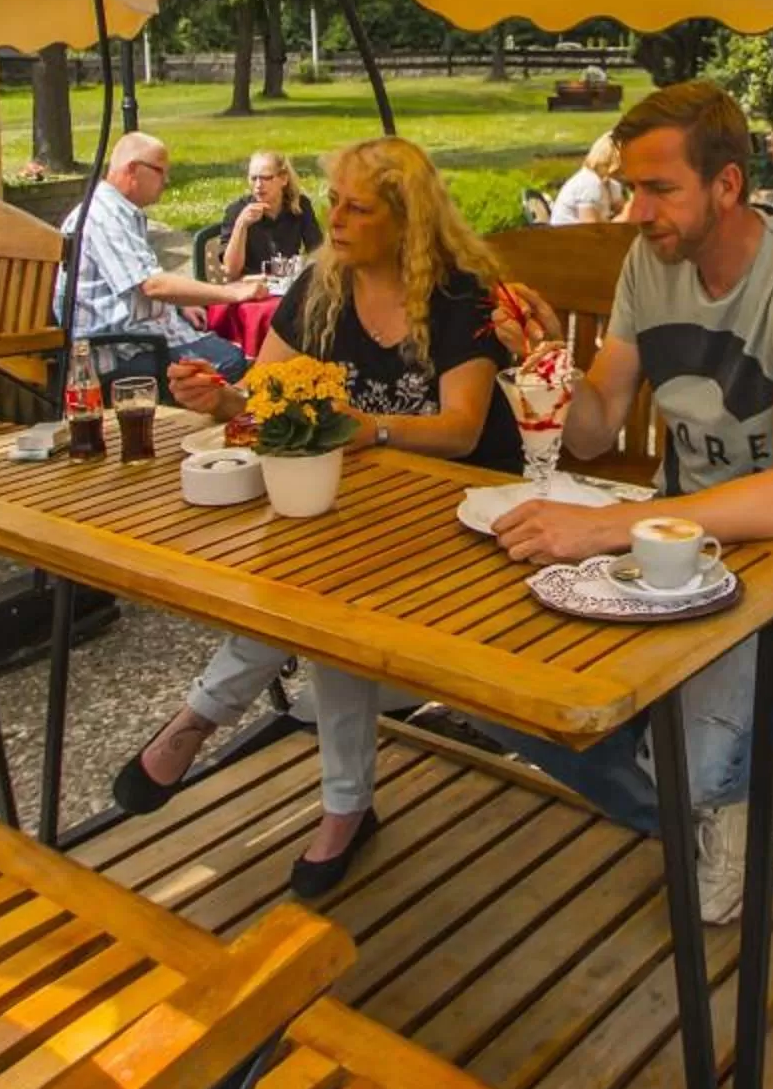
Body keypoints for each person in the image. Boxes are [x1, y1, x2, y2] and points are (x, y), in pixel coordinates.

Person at [487, 81, 773, 924]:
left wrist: (608, 526)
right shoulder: (649, 264)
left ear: (727, 185)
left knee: (675, 752)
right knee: (493, 686)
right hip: (667, 545)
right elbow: (592, 431)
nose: (633, 212)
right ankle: (722, 786)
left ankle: (712, 780)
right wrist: (548, 359)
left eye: (659, 190)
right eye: (630, 187)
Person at [125, 138, 522, 894]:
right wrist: (224, 396)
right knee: (311, 578)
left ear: (405, 221)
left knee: (328, 594)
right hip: (361, 507)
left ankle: (203, 721)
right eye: (333, 200)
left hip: (462, 512)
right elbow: (267, 394)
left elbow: (463, 430)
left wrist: (358, 423)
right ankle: (341, 807)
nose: (333, 218)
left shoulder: (457, 294)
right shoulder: (322, 285)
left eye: (356, 206)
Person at [58, 132, 259, 378]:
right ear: (133, 169)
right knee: (233, 362)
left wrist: (177, 307)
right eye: (160, 171)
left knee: (236, 352)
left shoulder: (119, 212)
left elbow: (139, 283)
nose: (167, 180)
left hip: (143, 339)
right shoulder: (102, 217)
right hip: (121, 353)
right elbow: (152, 285)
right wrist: (233, 293)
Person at [217, 149, 322, 282]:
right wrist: (241, 225)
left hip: (286, 285)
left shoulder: (299, 206)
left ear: (283, 179)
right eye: (253, 178)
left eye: (266, 178)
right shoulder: (237, 210)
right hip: (249, 286)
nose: (258, 185)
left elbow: (318, 252)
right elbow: (231, 271)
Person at [549, 131, 626, 224]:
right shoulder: (589, 184)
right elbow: (590, 227)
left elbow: (625, 213)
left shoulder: (610, 184)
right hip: (568, 236)